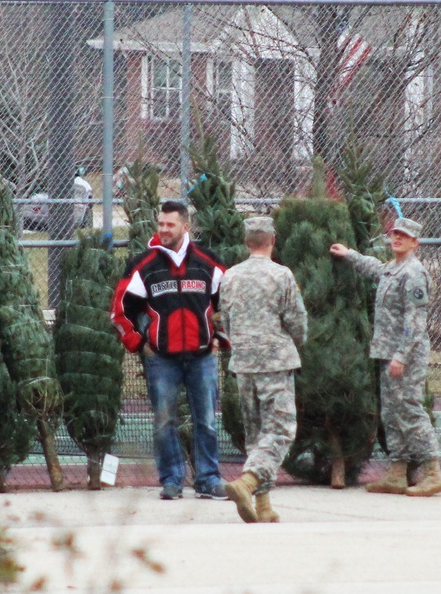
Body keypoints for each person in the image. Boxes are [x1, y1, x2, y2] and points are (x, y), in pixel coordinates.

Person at [110, 200, 229, 501]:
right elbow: (120, 311)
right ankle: (172, 479)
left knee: (207, 421)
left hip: (202, 357)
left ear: (185, 226)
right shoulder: (144, 265)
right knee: (164, 422)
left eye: (170, 224)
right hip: (161, 359)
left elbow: (230, 304)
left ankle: (208, 479)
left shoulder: (207, 262)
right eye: (160, 224)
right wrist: (138, 344)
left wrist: (220, 338)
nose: (163, 229)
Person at [330, 217, 441, 497]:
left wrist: (402, 356)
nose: (397, 239)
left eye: (404, 236)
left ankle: (433, 471)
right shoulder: (394, 268)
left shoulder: (414, 273)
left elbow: (415, 321)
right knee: (391, 413)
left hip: (405, 356)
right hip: (387, 353)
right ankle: (397, 472)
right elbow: (376, 269)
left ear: (415, 242)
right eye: (395, 234)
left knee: (409, 408)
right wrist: (350, 255)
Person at [219, 217, 308, 523]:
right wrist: (297, 341)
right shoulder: (281, 275)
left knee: (256, 433)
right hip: (275, 361)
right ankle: (248, 482)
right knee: (281, 429)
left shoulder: (230, 276)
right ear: (273, 239)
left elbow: (226, 322)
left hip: (243, 362)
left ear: (247, 242)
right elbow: (296, 321)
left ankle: (264, 504)